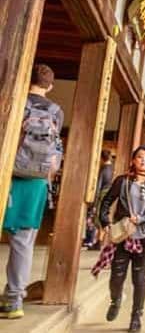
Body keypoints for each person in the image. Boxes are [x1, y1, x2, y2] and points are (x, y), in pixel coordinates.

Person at [0, 64, 63, 319]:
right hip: (36, 181)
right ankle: (14, 301)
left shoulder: (15, 100)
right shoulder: (56, 111)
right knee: (23, 243)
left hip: (7, 172)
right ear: (50, 86)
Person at [94, 145, 145, 332]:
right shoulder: (122, 181)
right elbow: (106, 201)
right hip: (123, 235)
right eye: (139, 157)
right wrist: (105, 221)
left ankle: (136, 317)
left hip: (144, 238)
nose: (143, 161)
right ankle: (116, 300)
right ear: (133, 160)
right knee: (116, 277)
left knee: (139, 280)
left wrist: (142, 219)